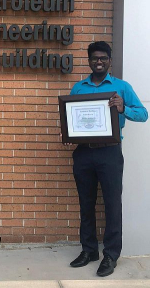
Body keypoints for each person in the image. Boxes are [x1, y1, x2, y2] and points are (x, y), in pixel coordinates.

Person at [68, 41, 148, 277]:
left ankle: (111, 255)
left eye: (103, 58)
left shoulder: (121, 87)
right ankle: (89, 250)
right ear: (89, 61)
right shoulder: (78, 88)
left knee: (112, 204)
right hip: (83, 152)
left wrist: (123, 108)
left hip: (110, 152)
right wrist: (66, 132)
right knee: (86, 203)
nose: (99, 62)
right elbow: (70, 117)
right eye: (94, 58)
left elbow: (143, 114)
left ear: (109, 61)